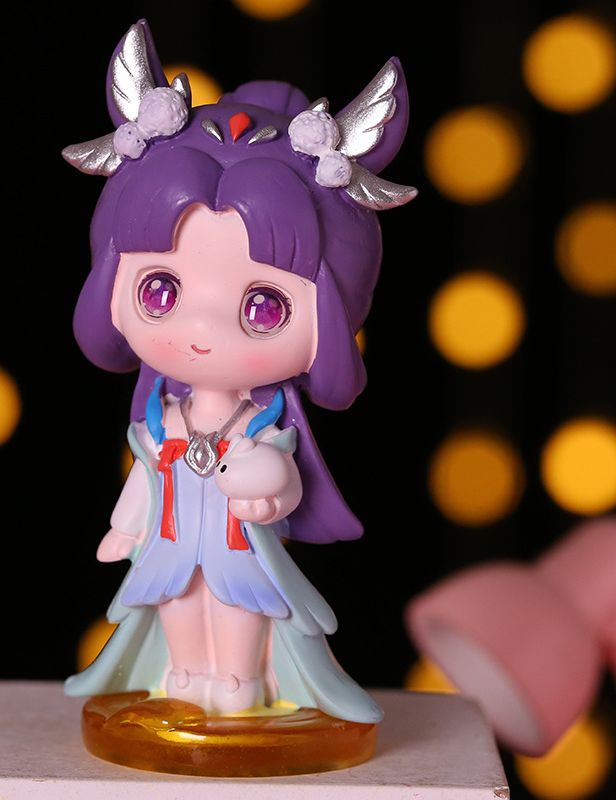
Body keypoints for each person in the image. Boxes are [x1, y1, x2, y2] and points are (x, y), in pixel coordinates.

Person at [62, 19, 415, 721]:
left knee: (236, 611)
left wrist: (270, 491)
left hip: (235, 550)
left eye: (263, 306)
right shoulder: (163, 413)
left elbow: (285, 482)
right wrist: (127, 527)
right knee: (171, 604)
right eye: (160, 291)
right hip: (170, 544)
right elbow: (146, 476)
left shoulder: (262, 422)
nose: (202, 331)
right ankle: (184, 675)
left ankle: (236, 682)